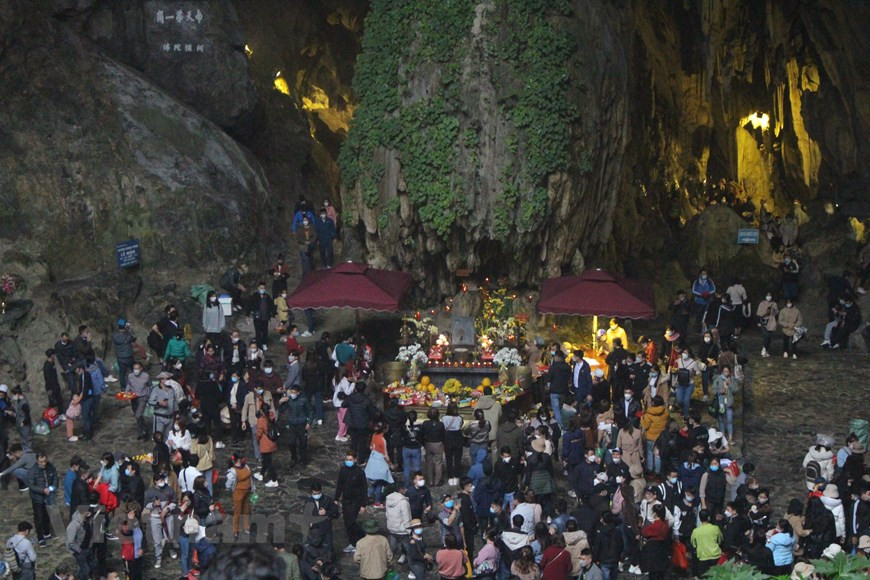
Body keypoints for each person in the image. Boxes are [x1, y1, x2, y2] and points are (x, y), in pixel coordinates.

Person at [336, 450, 368, 553]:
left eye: (350, 459)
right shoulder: (343, 470)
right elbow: (339, 485)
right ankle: (354, 540)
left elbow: (364, 489)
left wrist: (363, 504)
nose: (348, 461)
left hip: (356, 501)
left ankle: (357, 540)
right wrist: (336, 498)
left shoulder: (359, 472)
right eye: (347, 459)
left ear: (355, 460)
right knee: (347, 522)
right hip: (346, 500)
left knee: (351, 521)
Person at [26, 452, 57, 547]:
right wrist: (42, 490)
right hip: (37, 498)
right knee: (38, 518)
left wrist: (53, 487)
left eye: (44, 461)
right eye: (41, 462)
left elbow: (55, 478)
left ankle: (47, 532)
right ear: (37, 461)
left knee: (47, 514)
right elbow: (31, 485)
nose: (43, 463)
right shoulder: (32, 471)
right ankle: (40, 537)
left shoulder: (50, 467)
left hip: (48, 496)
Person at [343, 381, 378, 463]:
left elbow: (343, 404)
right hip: (363, 424)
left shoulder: (351, 398)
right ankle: (361, 460)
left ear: (355, 388)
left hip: (352, 423)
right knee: (362, 443)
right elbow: (373, 411)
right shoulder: (366, 400)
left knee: (353, 442)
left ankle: (351, 458)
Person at [242, 380, 274, 463]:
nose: (261, 390)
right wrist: (243, 421)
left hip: (266, 420)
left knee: (266, 439)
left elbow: (272, 407)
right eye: (259, 389)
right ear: (255, 388)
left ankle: (266, 455)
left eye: (262, 389)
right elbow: (245, 409)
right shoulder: (249, 396)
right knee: (256, 439)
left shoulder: (268, 394)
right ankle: (258, 456)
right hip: (254, 421)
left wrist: (273, 417)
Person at [282, 383, 313, 467]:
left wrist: (309, 422)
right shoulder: (288, 400)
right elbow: (282, 409)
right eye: (291, 392)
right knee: (291, 442)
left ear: (298, 392)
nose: (292, 394)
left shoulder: (304, 400)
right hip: (292, 424)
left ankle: (303, 459)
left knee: (303, 443)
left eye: (294, 392)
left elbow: (310, 411)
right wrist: (282, 402)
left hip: (301, 424)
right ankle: (293, 458)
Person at [365, 422, 395, 507]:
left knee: (374, 482)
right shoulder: (382, 440)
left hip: (373, 461)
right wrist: (391, 464)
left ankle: (367, 496)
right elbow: (386, 456)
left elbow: (371, 447)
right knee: (379, 483)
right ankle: (377, 501)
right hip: (380, 463)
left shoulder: (374, 435)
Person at [639, 504, 671, 580]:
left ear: (655, 513)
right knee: (661, 574)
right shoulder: (665, 524)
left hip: (653, 552)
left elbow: (644, 532)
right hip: (662, 552)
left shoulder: (654, 526)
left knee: (653, 574)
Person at [640, 395, 668, 474]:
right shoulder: (665, 412)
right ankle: (657, 472)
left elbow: (645, 425)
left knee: (649, 453)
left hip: (650, 437)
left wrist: (642, 419)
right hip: (661, 437)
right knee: (658, 455)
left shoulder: (649, 414)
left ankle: (650, 469)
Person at [711, 366, 739, 444]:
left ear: (729, 372)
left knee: (729, 420)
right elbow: (713, 390)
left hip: (729, 403)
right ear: (722, 372)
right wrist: (720, 391)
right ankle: (722, 436)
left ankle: (730, 438)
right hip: (720, 403)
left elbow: (735, 390)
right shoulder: (718, 379)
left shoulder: (732, 379)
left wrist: (729, 384)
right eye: (724, 371)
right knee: (721, 420)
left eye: (727, 371)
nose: (726, 373)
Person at [690, 510, 722, 577]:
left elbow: (693, 544)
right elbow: (720, 540)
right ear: (709, 518)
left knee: (704, 576)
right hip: (716, 556)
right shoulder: (715, 528)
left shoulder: (695, 531)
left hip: (703, 557)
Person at [256, 403, 279, 488]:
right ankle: (261, 474)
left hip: (265, 443)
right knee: (265, 460)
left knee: (268, 462)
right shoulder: (272, 416)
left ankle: (274, 480)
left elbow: (259, 433)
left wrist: (257, 439)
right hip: (272, 442)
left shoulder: (262, 420)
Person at [422, 408, 446, 487]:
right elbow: (443, 435)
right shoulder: (441, 424)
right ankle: (437, 481)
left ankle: (430, 481)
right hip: (438, 443)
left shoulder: (425, 423)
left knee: (428, 462)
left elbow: (423, 433)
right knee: (438, 463)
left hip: (428, 443)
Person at [547, 350, 571, 428]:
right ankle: (563, 423)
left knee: (556, 409)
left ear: (557, 357)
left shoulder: (554, 367)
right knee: (561, 408)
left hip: (554, 390)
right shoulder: (567, 367)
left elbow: (549, 378)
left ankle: (560, 426)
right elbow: (569, 377)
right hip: (564, 390)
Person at [248, 281, 275, 350]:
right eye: (261, 288)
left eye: (263, 288)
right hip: (257, 317)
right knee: (258, 332)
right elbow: (249, 305)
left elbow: (271, 306)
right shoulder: (254, 296)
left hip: (265, 317)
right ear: (258, 288)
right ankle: (259, 345)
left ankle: (264, 343)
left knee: (265, 331)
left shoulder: (267, 296)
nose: (262, 289)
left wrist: (274, 314)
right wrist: (247, 314)